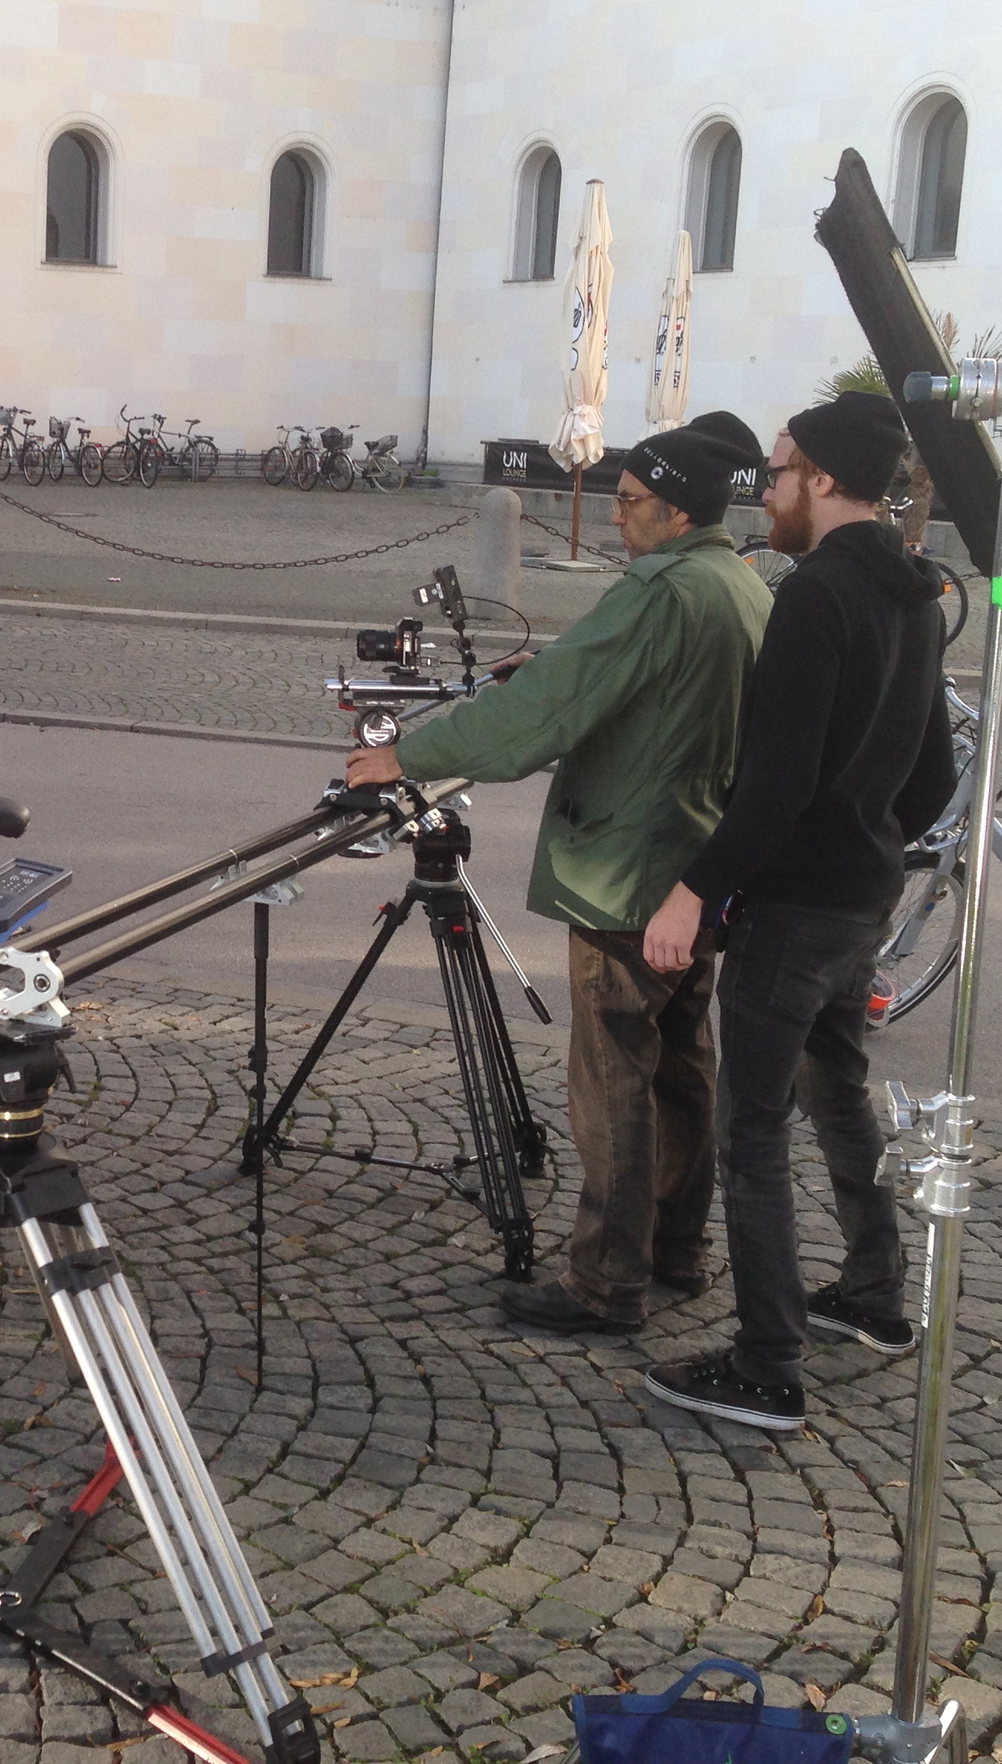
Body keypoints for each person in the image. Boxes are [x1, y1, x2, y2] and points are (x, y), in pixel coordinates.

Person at [345, 413, 772, 1336]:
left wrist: (408, 757)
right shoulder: (738, 585)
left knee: (614, 1079)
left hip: (628, 868)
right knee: (684, 1068)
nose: (616, 518)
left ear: (677, 509)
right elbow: (628, 686)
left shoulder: (662, 592)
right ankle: (676, 1249)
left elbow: (545, 712)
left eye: (629, 503)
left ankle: (606, 1281)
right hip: (695, 862)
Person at [639, 390, 957, 1432]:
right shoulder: (915, 593)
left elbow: (769, 788)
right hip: (862, 895)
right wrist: (867, 835)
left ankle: (766, 1360)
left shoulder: (815, 596)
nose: (763, 491)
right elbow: (930, 778)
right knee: (840, 1094)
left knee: (753, 1131)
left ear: (820, 478)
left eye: (775, 473)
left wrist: (695, 888)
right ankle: (872, 1293)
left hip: (798, 906)